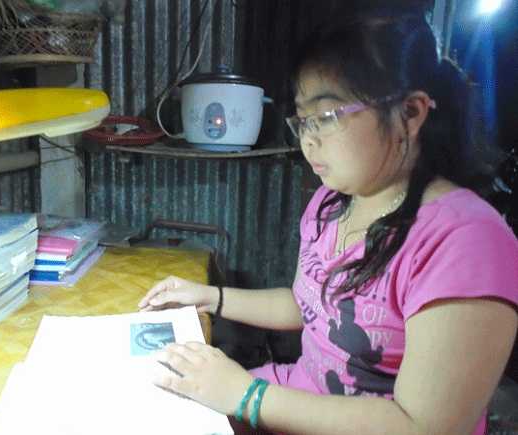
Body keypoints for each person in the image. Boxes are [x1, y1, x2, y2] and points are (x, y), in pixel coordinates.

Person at [138, 11, 518, 435]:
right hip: (295, 401)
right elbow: (307, 307)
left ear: (410, 113)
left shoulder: (466, 241)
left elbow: (424, 426)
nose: (308, 139)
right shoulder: (331, 204)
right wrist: (210, 297)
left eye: (327, 116)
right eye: (303, 120)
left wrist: (246, 394)